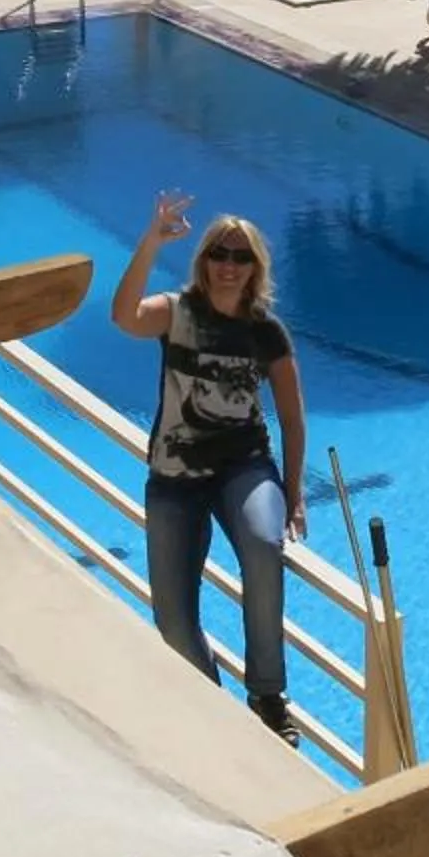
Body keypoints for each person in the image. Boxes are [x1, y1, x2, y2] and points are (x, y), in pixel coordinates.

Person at [111, 190, 309, 745]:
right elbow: (124, 315)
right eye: (219, 253)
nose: (228, 265)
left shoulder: (266, 332)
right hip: (174, 477)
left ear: (255, 267)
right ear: (204, 261)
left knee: (264, 545)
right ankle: (214, 708)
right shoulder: (177, 314)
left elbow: (293, 421)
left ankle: (268, 696)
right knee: (173, 620)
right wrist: (151, 241)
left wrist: (293, 493)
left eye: (240, 256)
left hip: (243, 465)